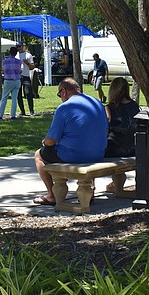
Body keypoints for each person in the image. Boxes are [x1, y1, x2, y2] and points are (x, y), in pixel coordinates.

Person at [33, 77, 108, 205]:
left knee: (39, 155)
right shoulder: (97, 103)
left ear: (64, 91)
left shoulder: (65, 108)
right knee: (86, 147)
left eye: (59, 94)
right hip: (98, 153)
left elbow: (51, 141)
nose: (60, 97)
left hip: (73, 156)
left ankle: (52, 195)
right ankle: (90, 189)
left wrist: (44, 142)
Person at [104, 77, 141, 157]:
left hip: (114, 150)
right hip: (133, 149)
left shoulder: (109, 108)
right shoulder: (134, 106)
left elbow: (105, 130)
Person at [0, 46, 21, 120]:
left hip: (8, 80)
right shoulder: (18, 61)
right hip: (17, 80)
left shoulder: (5, 61)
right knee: (14, 99)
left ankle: (0, 115)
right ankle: (13, 116)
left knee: (4, 98)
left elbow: (3, 70)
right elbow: (19, 70)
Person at [16, 43, 35, 116]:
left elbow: (32, 67)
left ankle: (31, 110)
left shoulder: (28, 55)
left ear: (24, 47)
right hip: (17, 77)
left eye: (20, 46)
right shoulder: (16, 55)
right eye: (17, 47)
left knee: (28, 93)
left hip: (26, 76)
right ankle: (22, 111)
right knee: (18, 94)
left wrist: (27, 63)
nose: (19, 48)